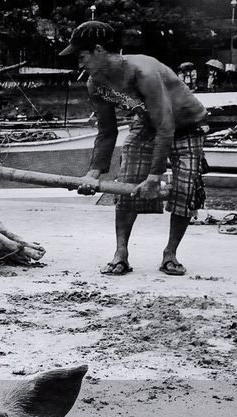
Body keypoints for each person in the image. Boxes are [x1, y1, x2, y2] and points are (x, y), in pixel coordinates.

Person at [63, 20, 209, 276]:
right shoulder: (95, 83)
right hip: (147, 124)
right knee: (126, 183)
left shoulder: (144, 72)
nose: (80, 63)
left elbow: (167, 125)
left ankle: (170, 254)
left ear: (98, 49)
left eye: (82, 56)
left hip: (186, 126)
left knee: (185, 190)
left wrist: (154, 177)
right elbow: (107, 131)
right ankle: (121, 254)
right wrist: (94, 173)